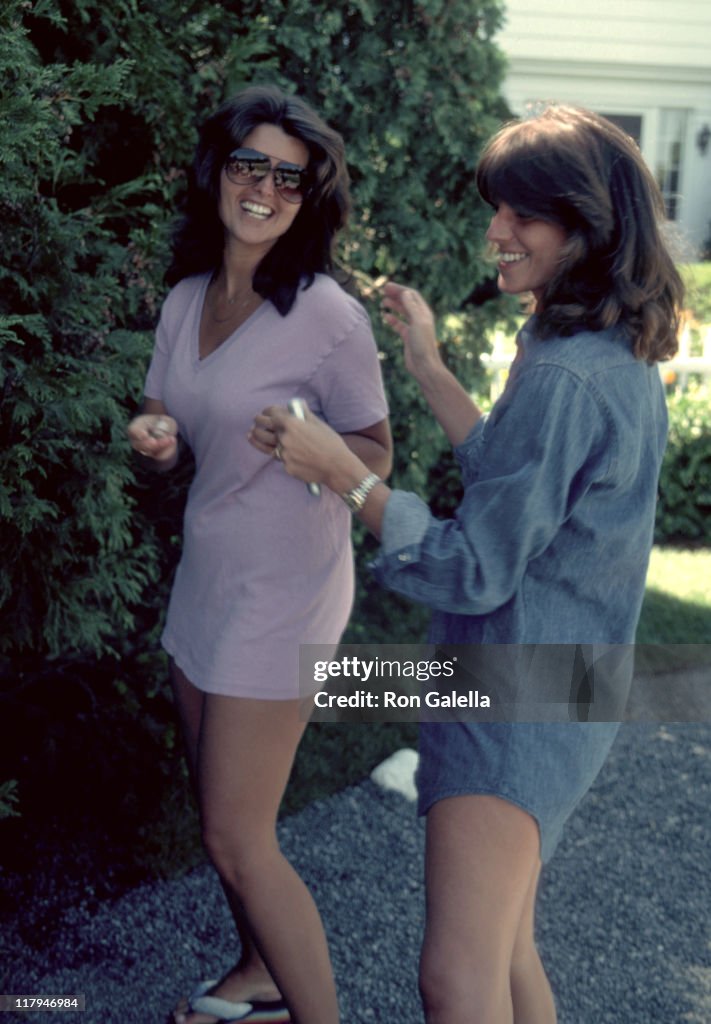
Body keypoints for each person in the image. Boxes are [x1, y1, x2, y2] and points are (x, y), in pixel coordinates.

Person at [251, 106, 684, 1023]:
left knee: (456, 980)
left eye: (522, 215)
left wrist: (345, 478)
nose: (495, 232)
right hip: (563, 683)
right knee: (507, 953)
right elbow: (519, 487)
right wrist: (430, 370)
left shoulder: (568, 374)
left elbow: (476, 567)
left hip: (513, 700)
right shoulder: (598, 354)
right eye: (497, 209)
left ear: (588, 226)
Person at [127, 85, 391, 1024]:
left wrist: (313, 451)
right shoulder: (188, 299)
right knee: (220, 817)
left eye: (289, 177)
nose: (266, 190)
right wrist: (156, 435)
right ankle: (259, 974)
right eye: (251, 166)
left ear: (305, 197)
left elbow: (373, 451)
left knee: (239, 838)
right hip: (210, 576)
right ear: (217, 172)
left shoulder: (327, 316)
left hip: (287, 589)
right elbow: (169, 415)